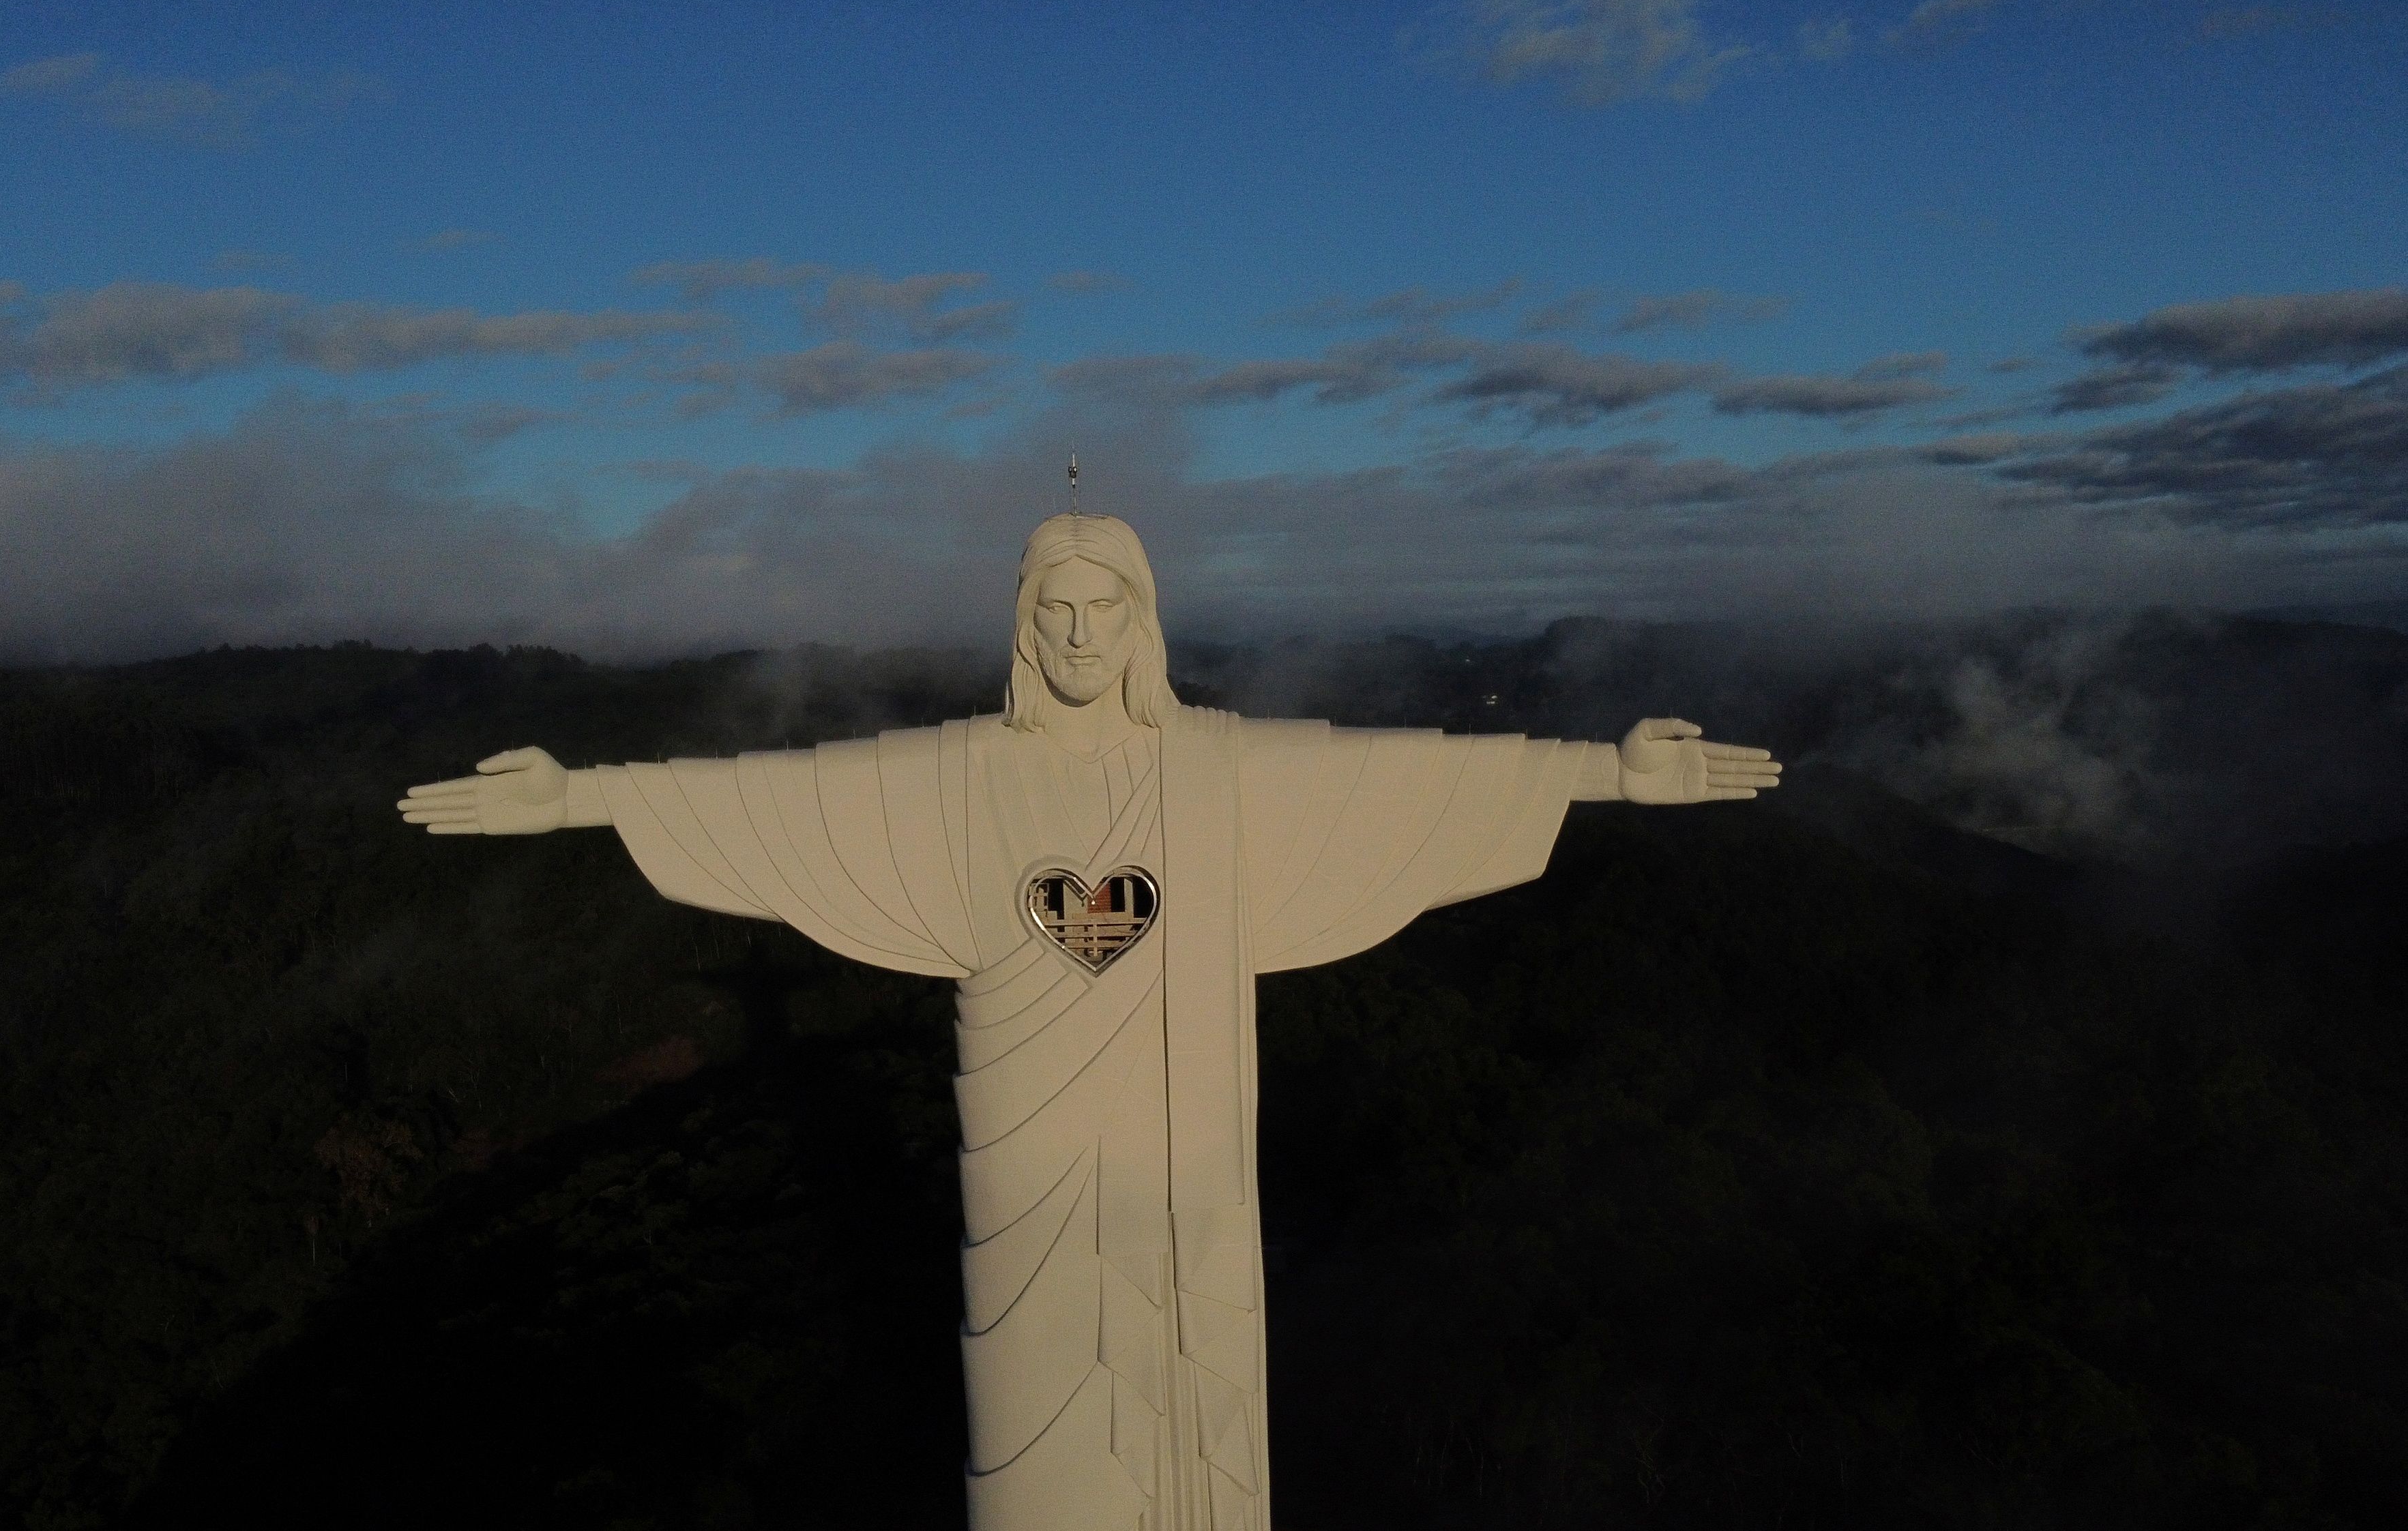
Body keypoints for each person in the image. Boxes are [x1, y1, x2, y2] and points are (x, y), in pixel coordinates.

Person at [399, 512, 1779, 1530]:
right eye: (1050, 610)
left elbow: (1403, 783)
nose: (1073, 637)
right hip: (1022, 1191)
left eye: (1099, 608)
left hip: (1184, 1201)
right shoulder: (946, 776)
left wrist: (1606, 770)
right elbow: (770, 794)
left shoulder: (1220, 771)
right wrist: (578, 795)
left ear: (1142, 617)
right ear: (1019, 620)